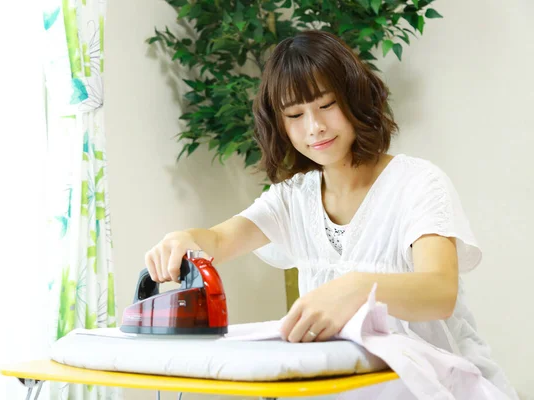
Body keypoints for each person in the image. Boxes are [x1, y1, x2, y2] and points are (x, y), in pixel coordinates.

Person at [145, 30, 517, 398]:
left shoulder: (417, 183)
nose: (315, 127)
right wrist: (185, 240)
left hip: (438, 385)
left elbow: (439, 292)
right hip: (348, 386)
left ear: (355, 98)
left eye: (326, 105)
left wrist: (356, 289)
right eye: (294, 114)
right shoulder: (294, 198)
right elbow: (219, 240)